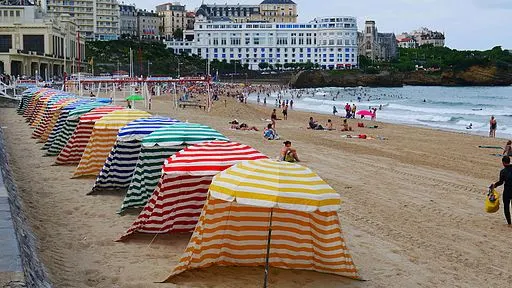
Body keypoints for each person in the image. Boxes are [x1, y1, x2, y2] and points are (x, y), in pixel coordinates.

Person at [490, 156, 512, 226]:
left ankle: (509, 223)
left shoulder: (503, 172)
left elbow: (501, 182)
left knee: (506, 207)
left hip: (507, 191)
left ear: (503, 163)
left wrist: (494, 185)